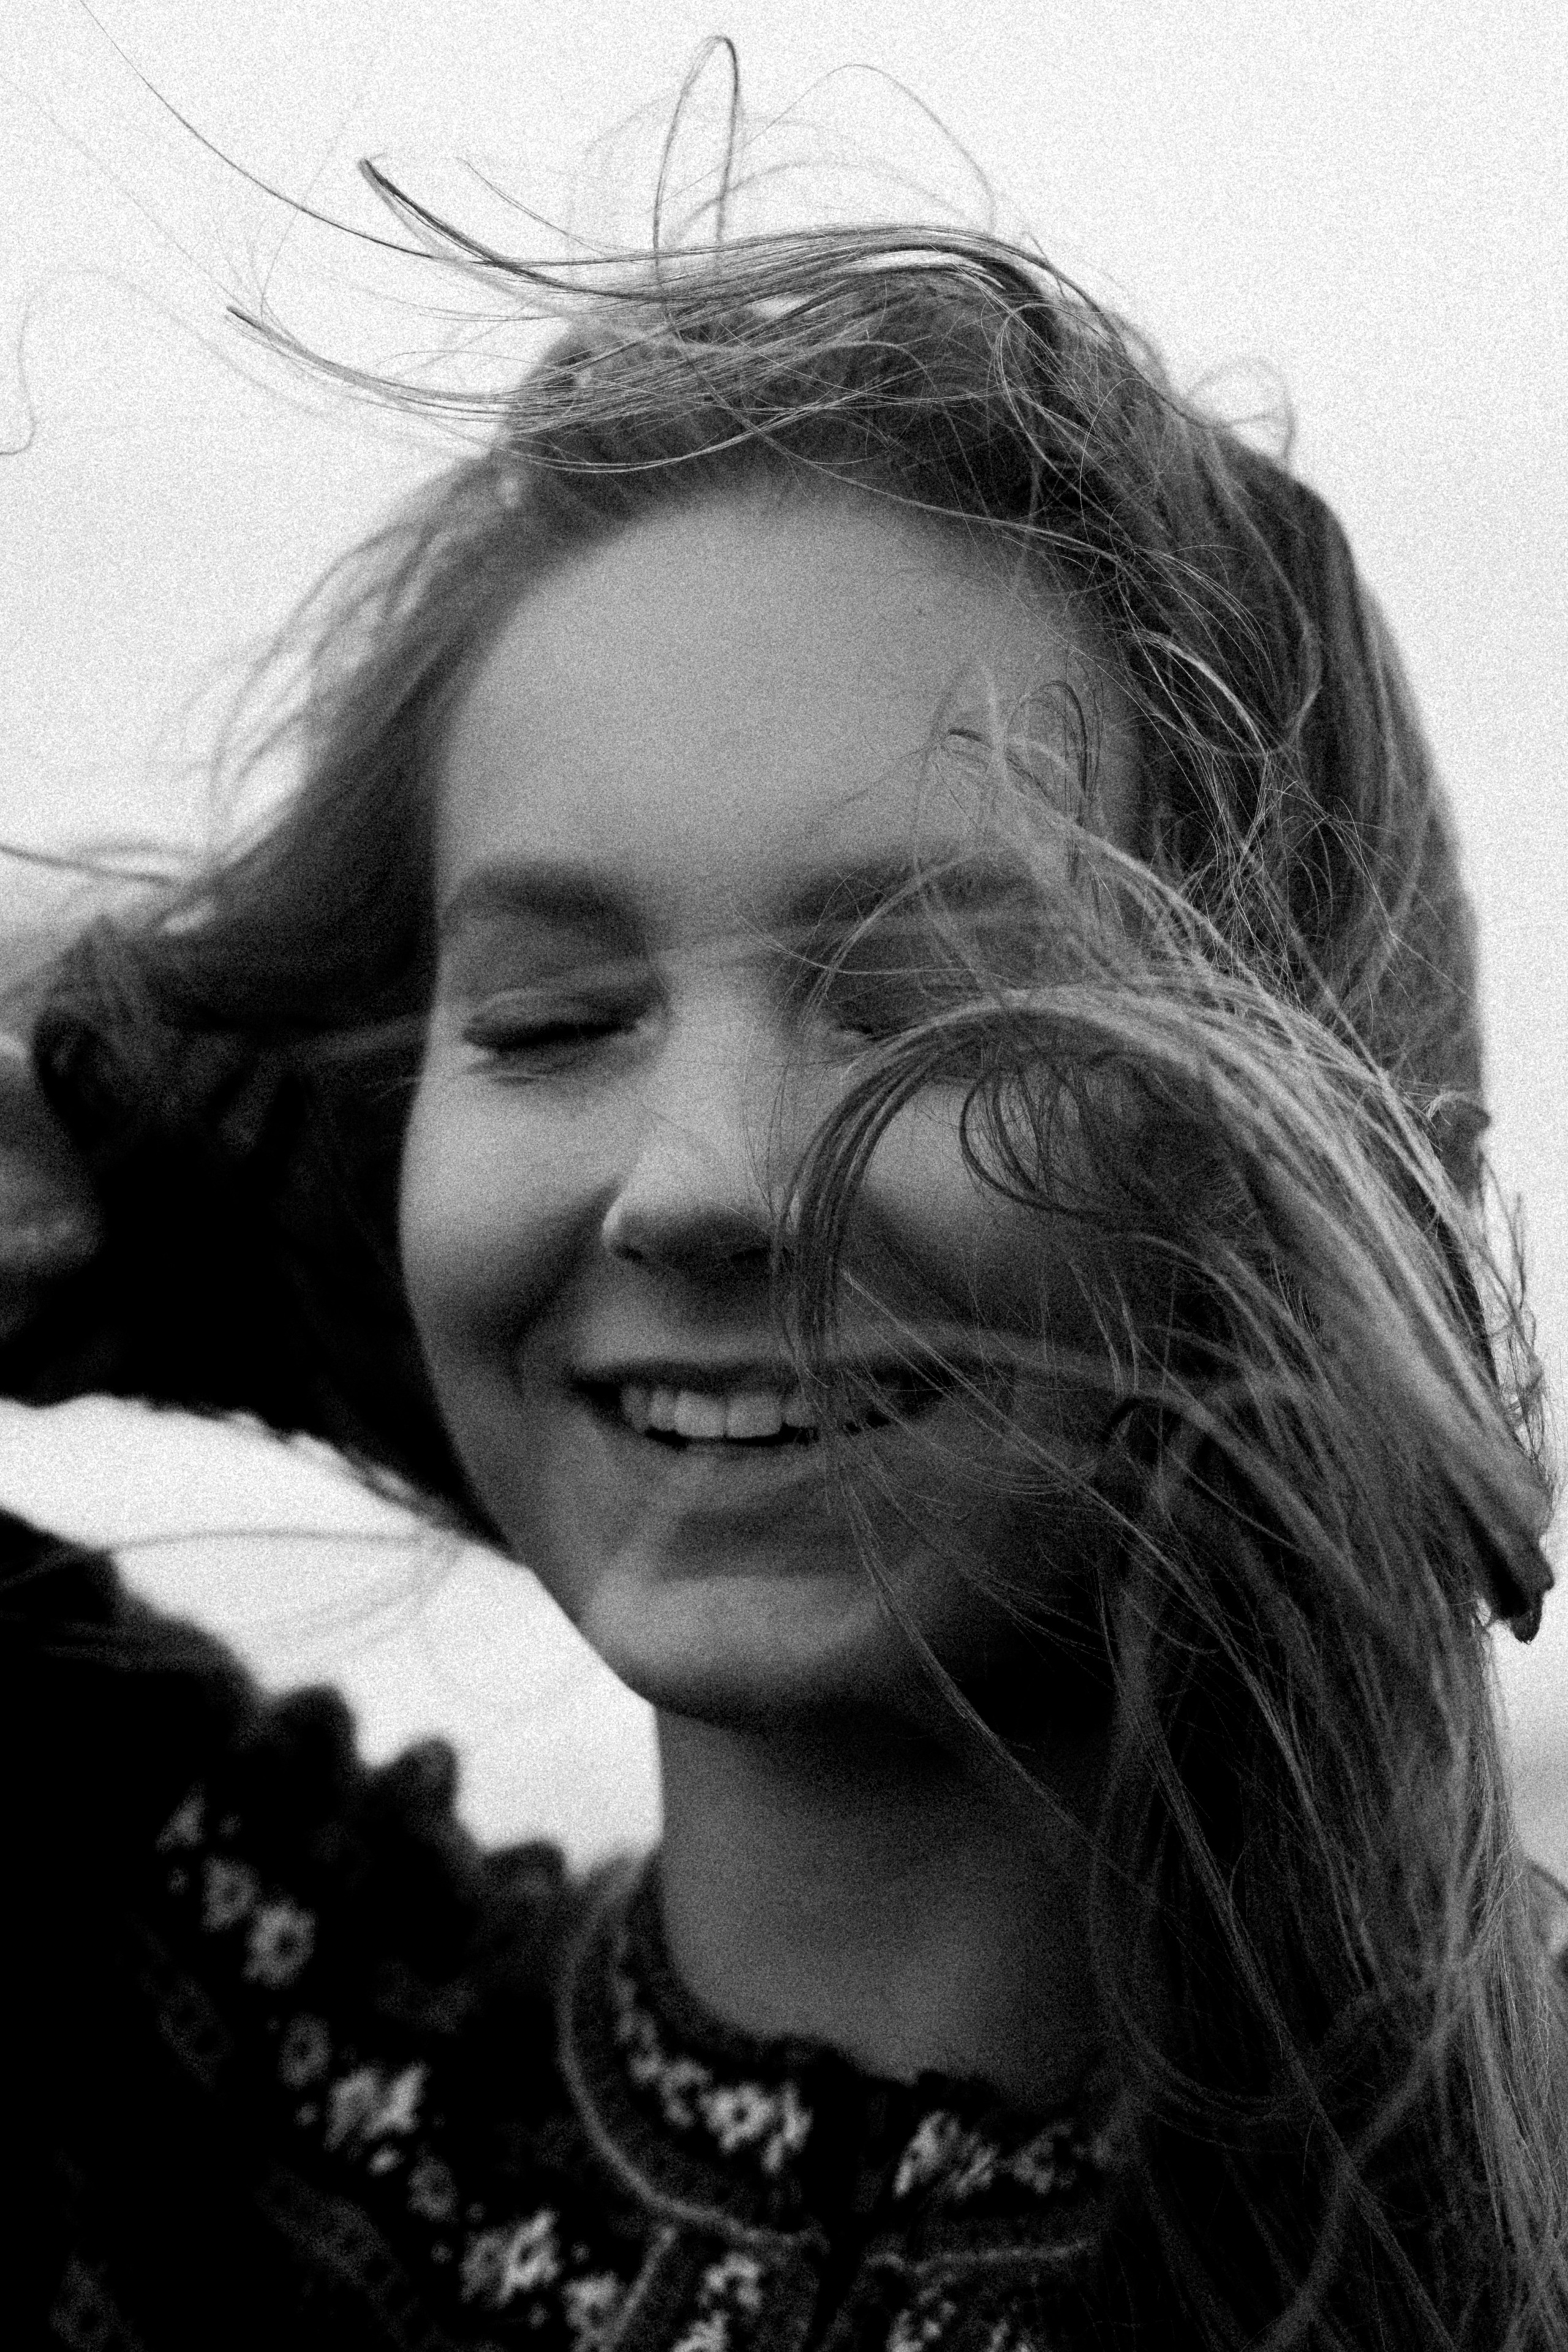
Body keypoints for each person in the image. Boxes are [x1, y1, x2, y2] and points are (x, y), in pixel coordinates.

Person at [1, 154, 1564, 2351]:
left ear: (1348, 1182)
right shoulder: (197, 2074)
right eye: (547, 1025)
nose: (702, 1179)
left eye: (926, 1013)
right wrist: (204, 1177)